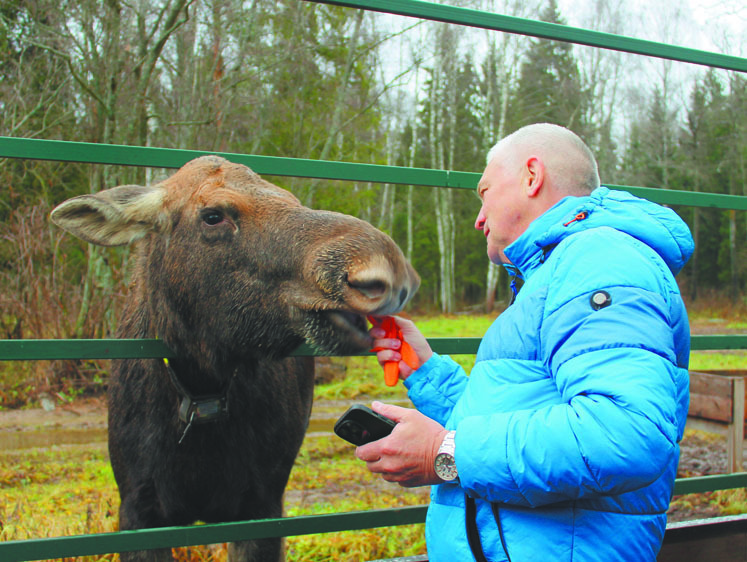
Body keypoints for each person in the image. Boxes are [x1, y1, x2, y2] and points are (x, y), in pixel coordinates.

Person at [358, 123, 694, 561]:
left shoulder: (600, 260)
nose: (479, 218)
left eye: (483, 192)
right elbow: (521, 414)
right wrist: (426, 371)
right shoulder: (558, 272)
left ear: (531, 176)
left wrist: (445, 452)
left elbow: (626, 433)